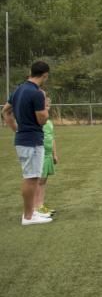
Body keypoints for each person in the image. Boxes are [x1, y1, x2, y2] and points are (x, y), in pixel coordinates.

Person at [2, 60, 52, 225]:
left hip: (23, 138)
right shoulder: (37, 93)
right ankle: (28, 216)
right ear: (45, 75)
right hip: (32, 140)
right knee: (31, 178)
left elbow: (5, 111)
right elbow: (42, 119)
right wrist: (45, 110)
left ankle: (32, 213)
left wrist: (16, 128)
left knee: (31, 176)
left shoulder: (18, 91)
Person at [35, 93, 58, 217]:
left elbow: (52, 138)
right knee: (39, 180)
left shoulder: (49, 122)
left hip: (48, 155)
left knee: (44, 181)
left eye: (49, 105)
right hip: (40, 154)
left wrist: (55, 154)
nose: (47, 107)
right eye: (45, 105)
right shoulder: (38, 121)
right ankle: (36, 207)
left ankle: (41, 205)